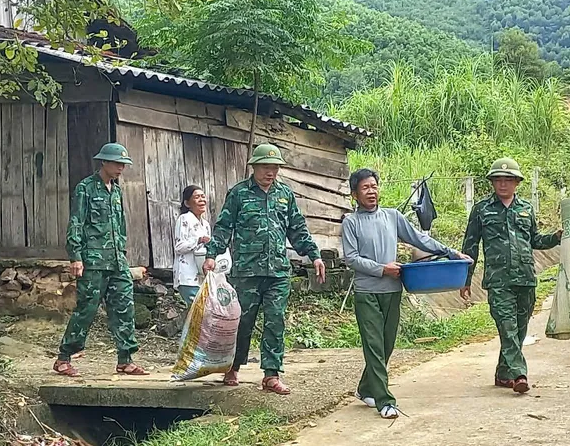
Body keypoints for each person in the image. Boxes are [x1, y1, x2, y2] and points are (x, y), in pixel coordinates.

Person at [341, 168, 470, 419]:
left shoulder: (392, 217)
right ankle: (385, 400)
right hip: (367, 292)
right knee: (374, 345)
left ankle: (366, 388)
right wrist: (382, 269)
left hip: (392, 290)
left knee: (387, 345)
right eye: (365, 188)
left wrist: (450, 252)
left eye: (374, 186)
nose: (371, 191)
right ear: (354, 194)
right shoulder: (351, 222)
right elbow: (352, 258)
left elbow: (419, 239)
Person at [202, 143, 326, 395]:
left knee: (275, 320)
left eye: (275, 168)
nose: (271, 172)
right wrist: (212, 254)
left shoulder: (284, 195)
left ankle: (271, 374)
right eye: (266, 167)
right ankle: (233, 366)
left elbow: (297, 229)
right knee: (243, 321)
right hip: (247, 271)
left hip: (278, 271)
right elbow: (224, 226)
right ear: (254, 167)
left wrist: (314, 255)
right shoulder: (239, 194)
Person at [461, 157, 562, 394]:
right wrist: (465, 279)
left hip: (526, 278)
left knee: (518, 329)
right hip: (498, 280)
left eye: (508, 180)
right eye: (498, 180)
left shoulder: (526, 209)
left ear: (517, 182)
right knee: (507, 327)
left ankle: (503, 374)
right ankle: (519, 374)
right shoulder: (482, 209)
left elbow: (535, 240)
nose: (503, 185)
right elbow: (470, 247)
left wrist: (556, 237)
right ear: (492, 183)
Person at [53, 143, 148, 377]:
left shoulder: (116, 191)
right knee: (87, 309)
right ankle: (64, 357)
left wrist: (123, 254)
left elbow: (120, 227)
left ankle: (125, 359)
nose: (120, 169)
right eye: (116, 164)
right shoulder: (86, 188)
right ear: (103, 162)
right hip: (93, 261)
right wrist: (76, 256)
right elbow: (76, 222)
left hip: (117, 261)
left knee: (124, 307)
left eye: (123, 165)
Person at [173, 185, 212, 317]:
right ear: (187, 203)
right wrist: (198, 240)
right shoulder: (184, 219)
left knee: (200, 315)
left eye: (203, 196)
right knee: (199, 314)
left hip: (202, 275)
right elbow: (179, 247)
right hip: (187, 276)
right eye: (197, 197)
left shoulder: (205, 224)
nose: (202, 200)